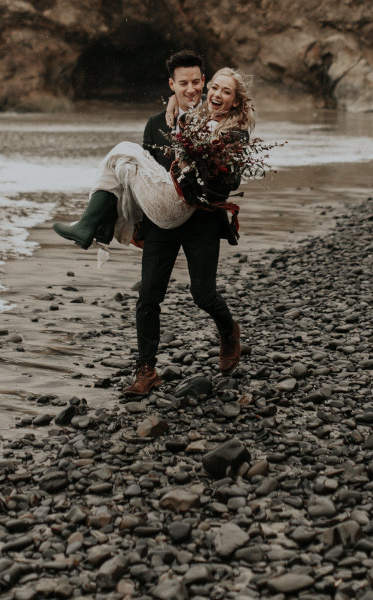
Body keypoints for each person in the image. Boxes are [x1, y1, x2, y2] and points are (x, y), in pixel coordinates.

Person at [52, 57, 253, 395]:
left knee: (203, 294)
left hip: (202, 219)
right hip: (162, 222)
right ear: (172, 86)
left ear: (203, 83)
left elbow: (228, 184)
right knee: (148, 295)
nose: (195, 90)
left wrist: (196, 172)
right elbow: (144, 179)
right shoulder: (159, 123)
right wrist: (140, 225)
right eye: (183, 84)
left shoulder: (230, 132)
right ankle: (146, 370)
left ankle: (228, 329)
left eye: (200, 84)